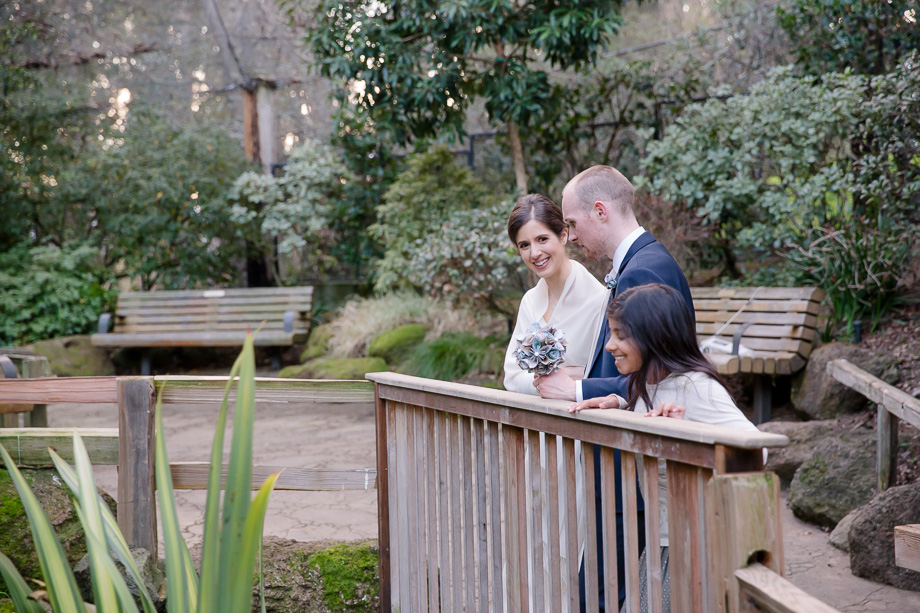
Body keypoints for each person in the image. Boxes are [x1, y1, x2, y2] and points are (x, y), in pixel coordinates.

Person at [533, 165, 694, 611]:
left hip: (632, 460)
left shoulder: (646, 269)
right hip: (626, 454)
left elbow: (660, 368)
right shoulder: (642, 262)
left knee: (602, 587)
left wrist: (578, 388)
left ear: (599, 211)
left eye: (572, 223)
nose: (570, 234)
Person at [570, 283, 762, 612]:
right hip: (661, 545)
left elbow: (757, 450)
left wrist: (686, 435)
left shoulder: (697, 387)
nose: (609, 345)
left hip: (695, 548)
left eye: (619, 335)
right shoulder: (647, 384)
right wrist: (620, 402)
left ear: (653, 336)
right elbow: (653, 407)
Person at [503, 193, 607, 395]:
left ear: (563, 235)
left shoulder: (599, 300)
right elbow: (512, 377)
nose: (534, 253)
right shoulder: (530, 301)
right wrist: (560, 379)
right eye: (524, 245)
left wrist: (577, 380)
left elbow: (606, 378)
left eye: (542, 239)